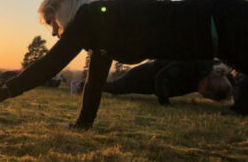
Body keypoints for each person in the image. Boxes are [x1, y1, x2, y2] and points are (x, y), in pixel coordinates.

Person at [0, 0, 248, 128]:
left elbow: (50, 64)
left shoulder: (90, 18)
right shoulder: (101, 29)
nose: (54, 33)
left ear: (61, 10)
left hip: (222, 20)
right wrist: (83, 124)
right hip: (219, 36)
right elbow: (94, 82)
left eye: (51, 23)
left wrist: (2, 92)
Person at [93, 59, 233, 103]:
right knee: (115, 88)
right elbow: (160, 78)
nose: (201, 94)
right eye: (205, 93)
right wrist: (165, 102)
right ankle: (86, 85)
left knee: (115, 88)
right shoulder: (189, 66)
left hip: (150, 84)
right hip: (142, 76)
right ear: (207, 83)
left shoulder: (210, 72)